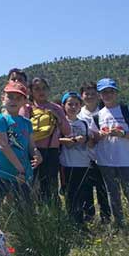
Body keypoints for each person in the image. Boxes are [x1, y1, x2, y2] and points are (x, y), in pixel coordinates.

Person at [0, 81, 41, 221]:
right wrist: (20, 169)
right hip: (1, 173)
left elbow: (31, 146)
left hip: (22, 175)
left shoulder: (27, 123)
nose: (14, 101)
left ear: (24, 101)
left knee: (25, 213)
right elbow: (3, 145)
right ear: (3, 98)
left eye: (18, 98)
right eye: (10, 97)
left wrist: (37, 154)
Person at [89, 78, 129, 226]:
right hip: (105, 161)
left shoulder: (128, 111)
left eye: (111, 91)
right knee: (113, 194)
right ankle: (119, 225)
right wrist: (99, 136)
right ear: (100, 95)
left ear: (116, 93)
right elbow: (93, 140)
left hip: (125, 160)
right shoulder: (97, 116)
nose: (108, 95)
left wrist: (123, 134)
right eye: (104, 92)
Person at [20, 78, 71, 205]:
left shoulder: (56, 108)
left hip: (51, 152)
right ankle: (32, 213)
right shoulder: (27, 109)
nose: (41, 91)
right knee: (31, 187)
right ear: (31, 91)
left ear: (48, 90)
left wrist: (58, 118)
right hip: (32, 152)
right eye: (37, 89)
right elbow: (21, 131)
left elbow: (67, 131)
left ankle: (52, 213)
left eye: (44, 88)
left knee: (50, 187)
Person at [78, 81, 111, 223]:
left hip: (104, 157)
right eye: (87, 94)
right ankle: (89, 217)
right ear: (81, 96)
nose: (90, 96)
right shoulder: (78, 114)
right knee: (86, 190)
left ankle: (106, 218)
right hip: (84, 158)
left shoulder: (105, 112)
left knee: (103, 190)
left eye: (93, 93)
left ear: (98, 95)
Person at [58, 92, 92, 225]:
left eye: (76, 104)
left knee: (83, 194)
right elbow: (55, 140)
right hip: (67, 164)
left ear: (80, 106)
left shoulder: (84, 123)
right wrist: (71, 140)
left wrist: (86, 139)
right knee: (70, 194)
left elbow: (90, 140)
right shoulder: (60, 123)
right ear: (63, 105)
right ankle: (73, 222)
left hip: (83, 163)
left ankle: (83, 220)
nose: (73, 107)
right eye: (70, 104)